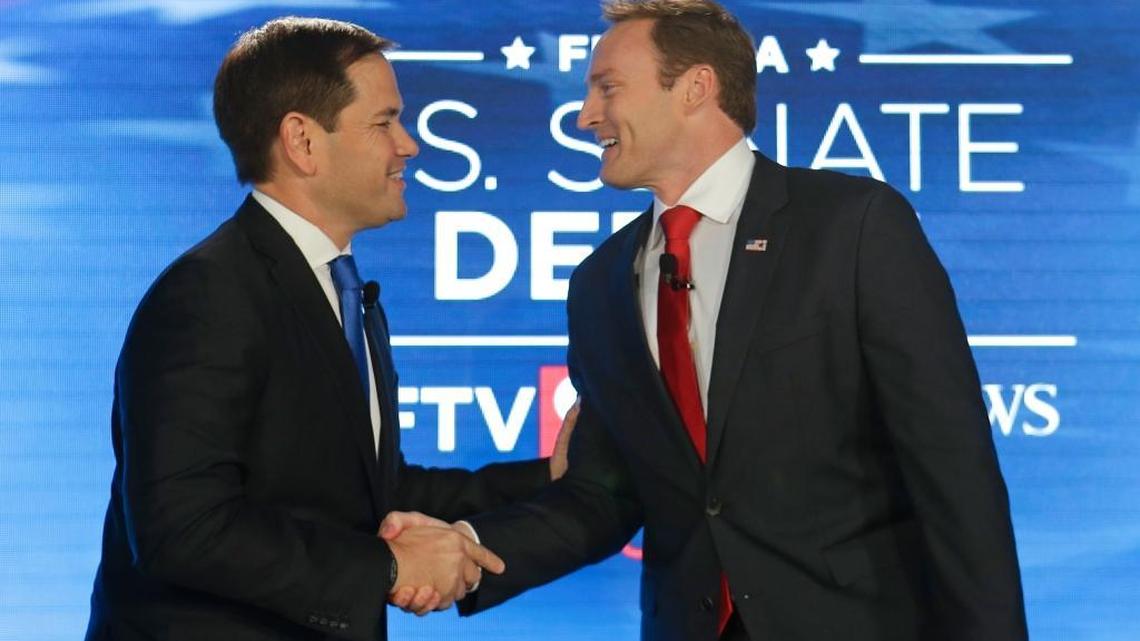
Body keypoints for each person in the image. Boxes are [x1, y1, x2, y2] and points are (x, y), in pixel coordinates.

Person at [386, 1, 1029, 640]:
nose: (585, 116)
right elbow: (605, 495)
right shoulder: (601, 283)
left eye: (607, 88)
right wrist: (470, 551)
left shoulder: (850, 227)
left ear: (696, 87)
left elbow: (954, 472)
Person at [85, 17, 567, 641]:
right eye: (383, 122)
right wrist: (388, 568)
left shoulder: (340, 289)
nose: (409, 145)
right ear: (303, 141)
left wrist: (549, 477)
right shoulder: (209, 294)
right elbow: (183, 528)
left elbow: (366, 489)